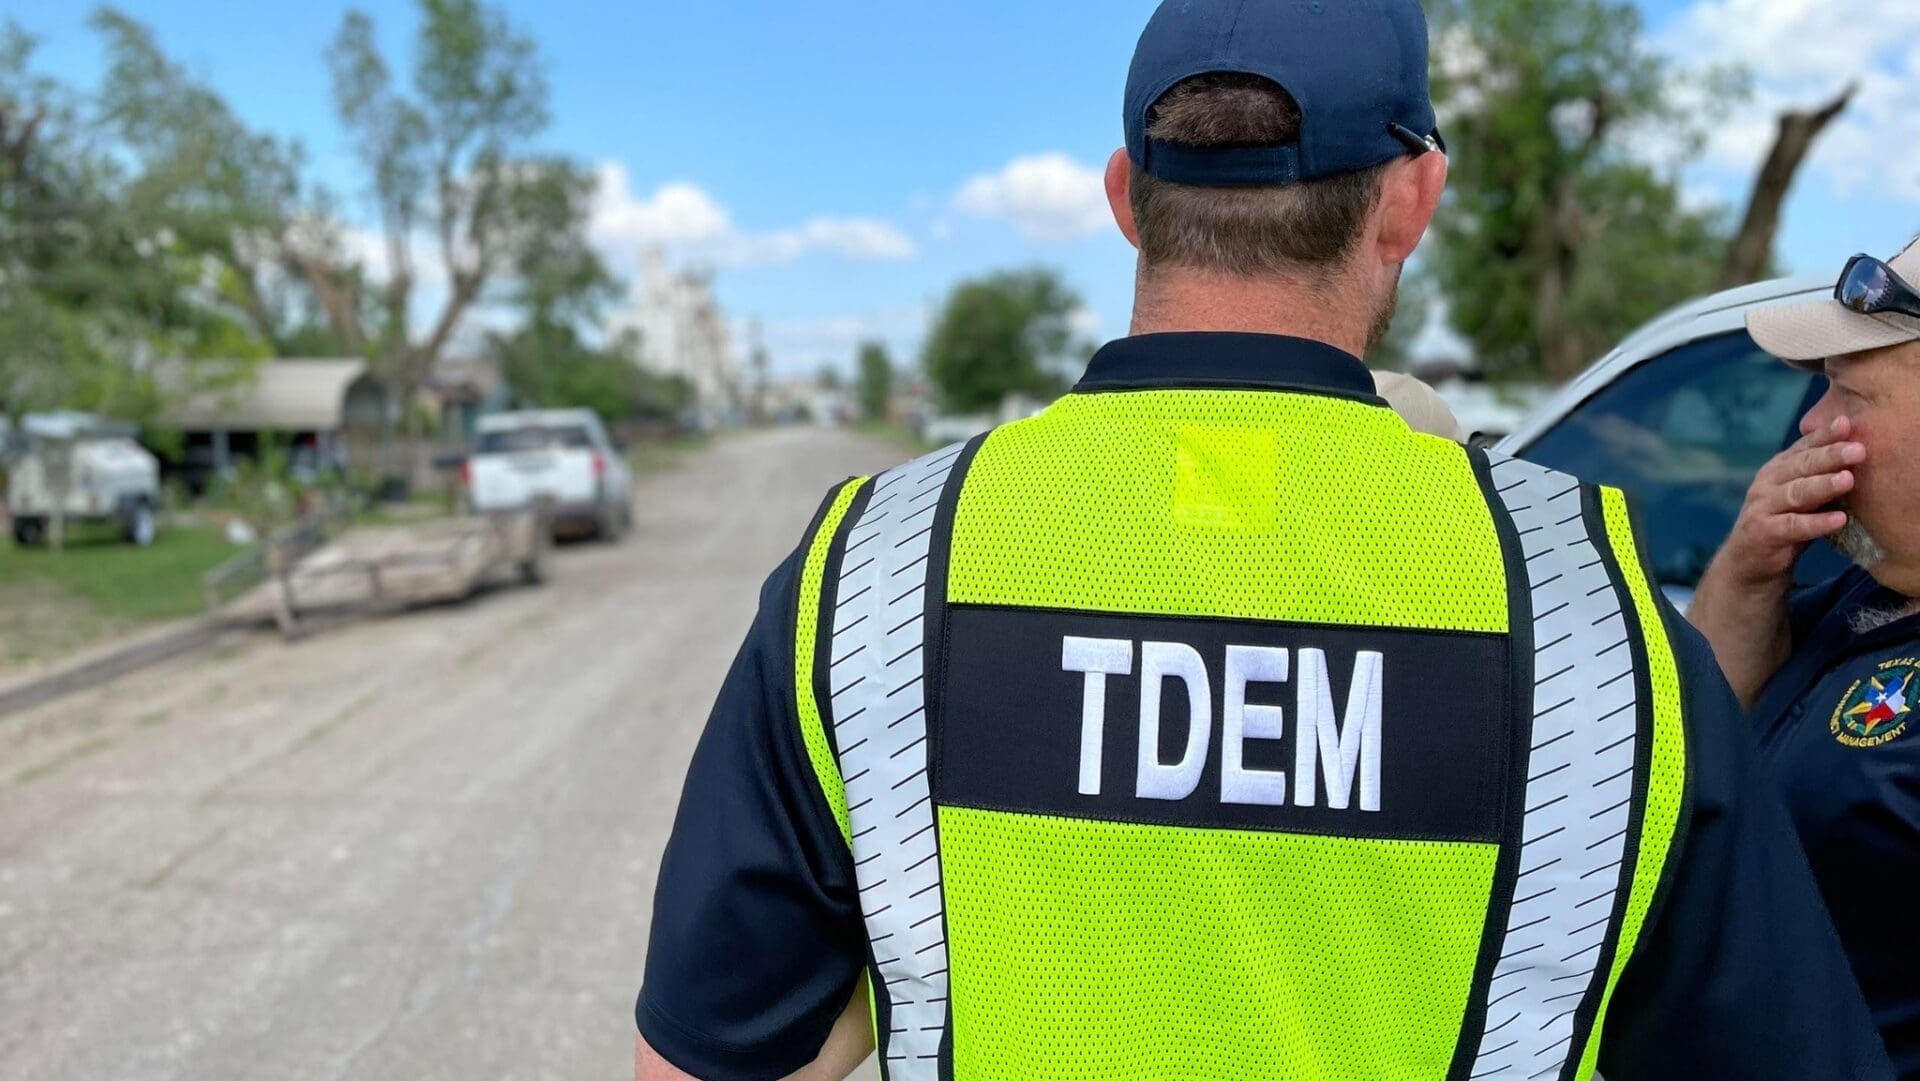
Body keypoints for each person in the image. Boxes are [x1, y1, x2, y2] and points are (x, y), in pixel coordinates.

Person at [635, 2, 1890, 1078]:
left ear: (1128, 199)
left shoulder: (873, 574)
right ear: (1412, 200)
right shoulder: (1594, 622)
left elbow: (699, 1055)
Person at [1688, 237, 1920, 1077]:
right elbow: (1687, 750)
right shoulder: (1861, 592)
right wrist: (1750, 569)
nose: (1813, 425)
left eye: (1848, 389)